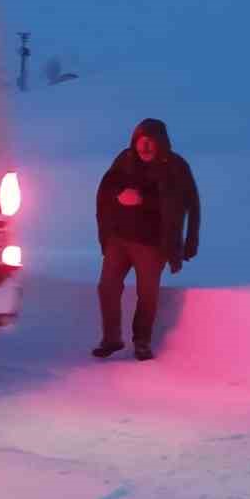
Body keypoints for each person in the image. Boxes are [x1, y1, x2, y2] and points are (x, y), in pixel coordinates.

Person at [92, 117, 201, 361]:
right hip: (118, 240)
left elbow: (192, 204)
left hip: (152, 245)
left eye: (151, 142)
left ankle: (142, 341)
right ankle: (111, 338)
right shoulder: (125, 159)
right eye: (141, 141)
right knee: (107, 287)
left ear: (161, 142)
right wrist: (120, 195)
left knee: (147, 294)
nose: (145, 147)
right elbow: (105, 188)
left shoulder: (175, 166)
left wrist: (191, 240)